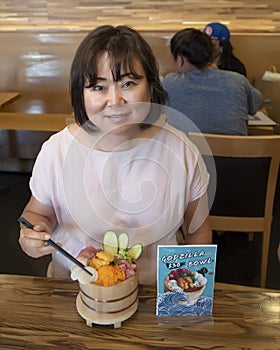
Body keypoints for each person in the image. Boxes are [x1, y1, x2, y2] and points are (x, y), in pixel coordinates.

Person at [18, 25, 212, 286]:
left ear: (150, 86)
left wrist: (186, 292)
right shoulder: (57, 150)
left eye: (128, 83)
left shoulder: (180, 149)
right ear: (81, 93)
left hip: (153, 292)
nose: (115, 100)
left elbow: (197, 228)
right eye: (98, 87)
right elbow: (38, 213)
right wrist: (32, 233)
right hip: (72, 291)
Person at [162, 28, 262, 135]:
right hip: (235, 151)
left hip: (187, 151)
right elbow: (256, 105)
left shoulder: (170, 82)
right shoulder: (239, 81)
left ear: (180, 59)